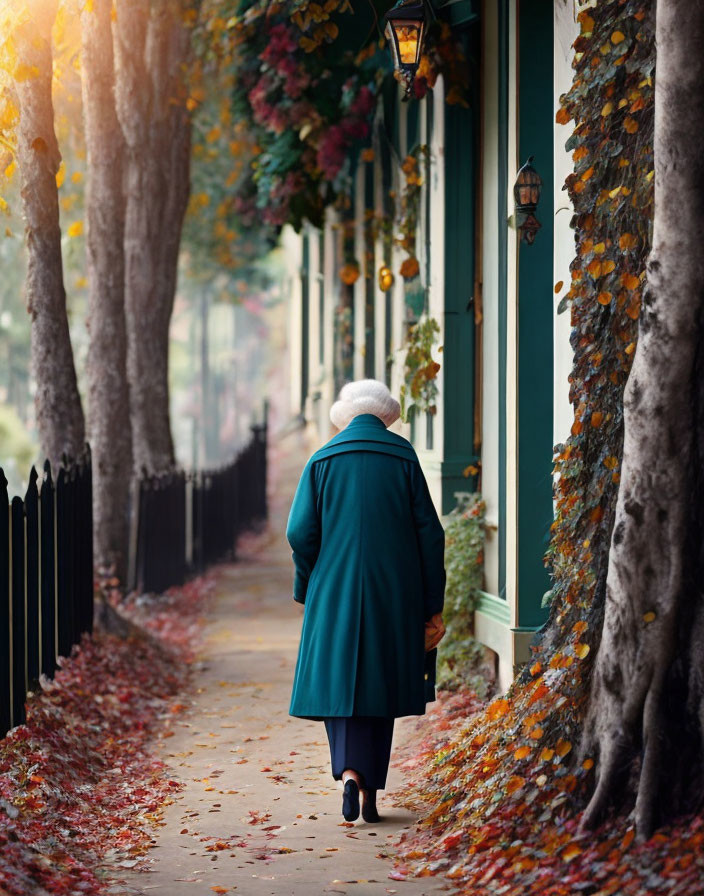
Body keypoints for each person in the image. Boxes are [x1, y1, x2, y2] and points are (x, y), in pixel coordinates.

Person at [286, 379, 446, 823]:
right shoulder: (404, 458)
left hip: (333, 587)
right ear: (385, 418)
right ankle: (372, 789)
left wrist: (308, 584)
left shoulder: (321, 459)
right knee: (384, 681)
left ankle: (350, 774)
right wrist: (432, 602)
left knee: (341, 683)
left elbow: (299, 533)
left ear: (346, 417)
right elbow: (430, 536)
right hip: (395, 590)